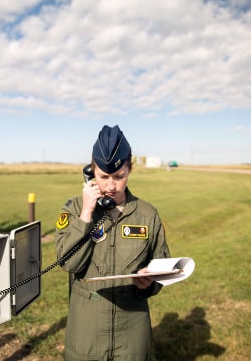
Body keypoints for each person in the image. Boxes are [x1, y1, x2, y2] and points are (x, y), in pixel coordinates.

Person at [55, 125, 171, 360]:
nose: (111, 186)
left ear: (130, 169)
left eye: (119, 177)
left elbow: (163, 264)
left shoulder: (147, 214)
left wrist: (150, 281)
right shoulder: (73, 208)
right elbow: (69, 263)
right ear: (90, 173)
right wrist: (86, 214)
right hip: (86, 330)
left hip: (132, 329)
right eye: (103, 176)